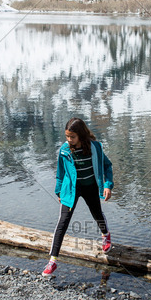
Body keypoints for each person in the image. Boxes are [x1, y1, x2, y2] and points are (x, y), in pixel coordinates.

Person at [42, 117, 114, 276]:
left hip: (90, 187)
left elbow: (107, 166)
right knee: (63, 222)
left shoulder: (95, 148)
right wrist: (58, 190)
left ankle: (105, 235)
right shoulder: (64, 150)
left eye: (72, 137)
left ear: (81, 135)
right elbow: (60, 174)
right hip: (71, 190)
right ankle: (52, 261)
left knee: (97, 214)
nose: (69, 140)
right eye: (67, 136)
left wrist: (108, 185)